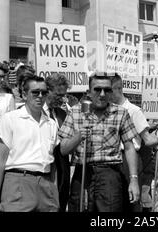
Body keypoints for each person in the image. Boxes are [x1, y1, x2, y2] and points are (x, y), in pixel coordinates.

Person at [59, 72, 140, 212]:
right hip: (83, 173)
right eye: (97, 89)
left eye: (107, 90)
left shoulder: (121, 113)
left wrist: (134, 180)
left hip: (110, 174)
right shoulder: (76, 112)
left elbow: (129, 147)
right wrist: (78, 137)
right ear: (89, 92)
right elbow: (63, 149)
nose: (102, 94)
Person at [0, 75, 60, 212]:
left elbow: (53, 163)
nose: (40, 96)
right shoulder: (9, 119)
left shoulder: (51, 124)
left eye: (44, 92)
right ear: (24, 94)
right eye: (35, 92)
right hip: (18, 182)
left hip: (46, 184)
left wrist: (54, 191)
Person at [109, 73, 158, 212]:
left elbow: (147, 139)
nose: (105, 94)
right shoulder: (109, 109)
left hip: (128, 159)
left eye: (108, 90)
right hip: (112, 158)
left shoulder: (134, 111)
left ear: (118, 89)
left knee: (131, 201)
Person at [44, 73, 71, 212]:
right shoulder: (35, 112)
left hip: (61, 167)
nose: (63, 99)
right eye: (58, 95)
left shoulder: (62, 113)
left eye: (64, 95)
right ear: (47, 90)